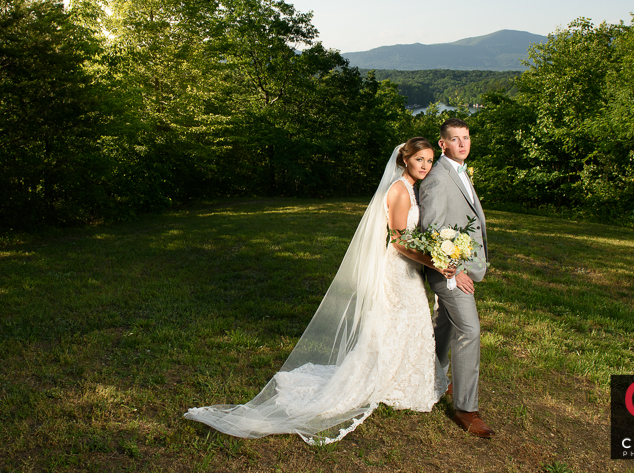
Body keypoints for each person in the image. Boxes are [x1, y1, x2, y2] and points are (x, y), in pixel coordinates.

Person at [185, 138, 450, 444]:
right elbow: (400, 241)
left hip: (407, 270)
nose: (425, 166)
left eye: (430, 161)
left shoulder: (408, 187)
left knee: (402, 324)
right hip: (398, 271)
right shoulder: (400, 190)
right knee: (401, 321)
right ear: (405, 160)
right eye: (420, 159)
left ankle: (401, 378)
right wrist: (435, 261)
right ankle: (390, 380)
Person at [419, 117, 495, 438]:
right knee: (470, 330)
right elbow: (431, 232)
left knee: (445, 326)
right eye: (455, 139)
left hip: (459, 267)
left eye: (466, 138)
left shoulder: (460, 171)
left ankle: (433, 378)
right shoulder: (437, 179)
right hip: (449, 272)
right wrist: (456, 272)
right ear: (443, 144)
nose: (462, 144)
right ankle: (466, 409)